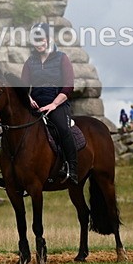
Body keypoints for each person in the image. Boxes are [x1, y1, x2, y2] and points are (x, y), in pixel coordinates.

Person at [21, 22, 79, 185]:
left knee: (62, 128)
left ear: (49, 38)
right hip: (34, 106)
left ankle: (72, 169)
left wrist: (53, 104)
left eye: (41, 39)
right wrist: (28, 98)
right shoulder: (30, 62)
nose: (38, 43)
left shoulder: (62, 58)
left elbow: (68, 85)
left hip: (57, 104)